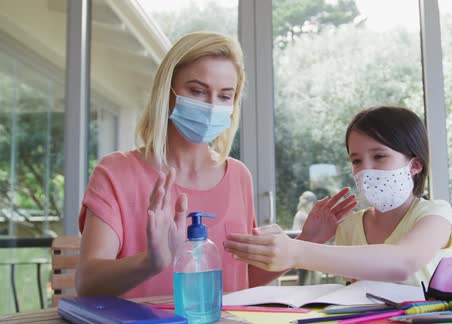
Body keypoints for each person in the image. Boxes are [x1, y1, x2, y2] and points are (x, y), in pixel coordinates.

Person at [75, 32, 356, 298]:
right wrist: (150, 262)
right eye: (198, 91)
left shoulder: (238, 176)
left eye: (224, 96)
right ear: (167, 92)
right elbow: (87, 283)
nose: (211, 105)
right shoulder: (116, 173)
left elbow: (241, 279)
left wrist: (305, 240)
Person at [224, 106, 452, 287]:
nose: (366, 169)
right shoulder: (351, 227)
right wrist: (307, 239)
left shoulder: (435, 215)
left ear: (414, 165)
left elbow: (404, 263)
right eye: (356, 160)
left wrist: (296, 251)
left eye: (380, 156)